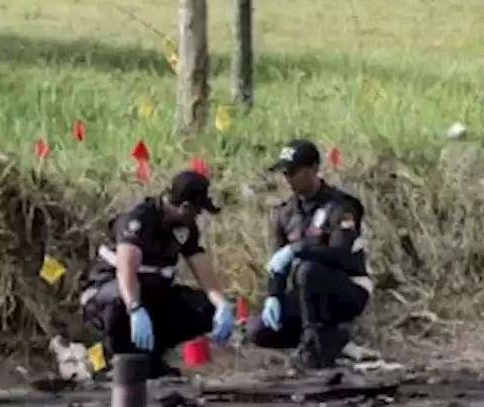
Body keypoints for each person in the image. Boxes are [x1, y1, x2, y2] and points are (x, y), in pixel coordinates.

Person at [80, 170, 236, 379]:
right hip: (110, 292)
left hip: (153, 294)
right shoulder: (138, 219)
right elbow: (126, 270)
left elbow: (202, 268)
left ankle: (152, 357)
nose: (197, 217)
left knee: (203, 308)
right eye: (197, 211)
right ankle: (116, 359)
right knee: (120, 304)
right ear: (185, 207)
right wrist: (135, 309)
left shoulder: (185, 228)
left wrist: (221, 304)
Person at [245, 139, 372, 369]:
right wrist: (273, 295)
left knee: (308, 270)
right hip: (306, 294)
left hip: (346, 288)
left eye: (293, 172)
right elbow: (277, 264)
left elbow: (341, 254)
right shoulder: (286, 214)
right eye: (284, 173)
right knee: (258, 330)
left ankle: (315, 349)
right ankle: (331, 339)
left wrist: (299, 249)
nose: (288, 179)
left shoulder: (340, 206)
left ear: (313, 169)